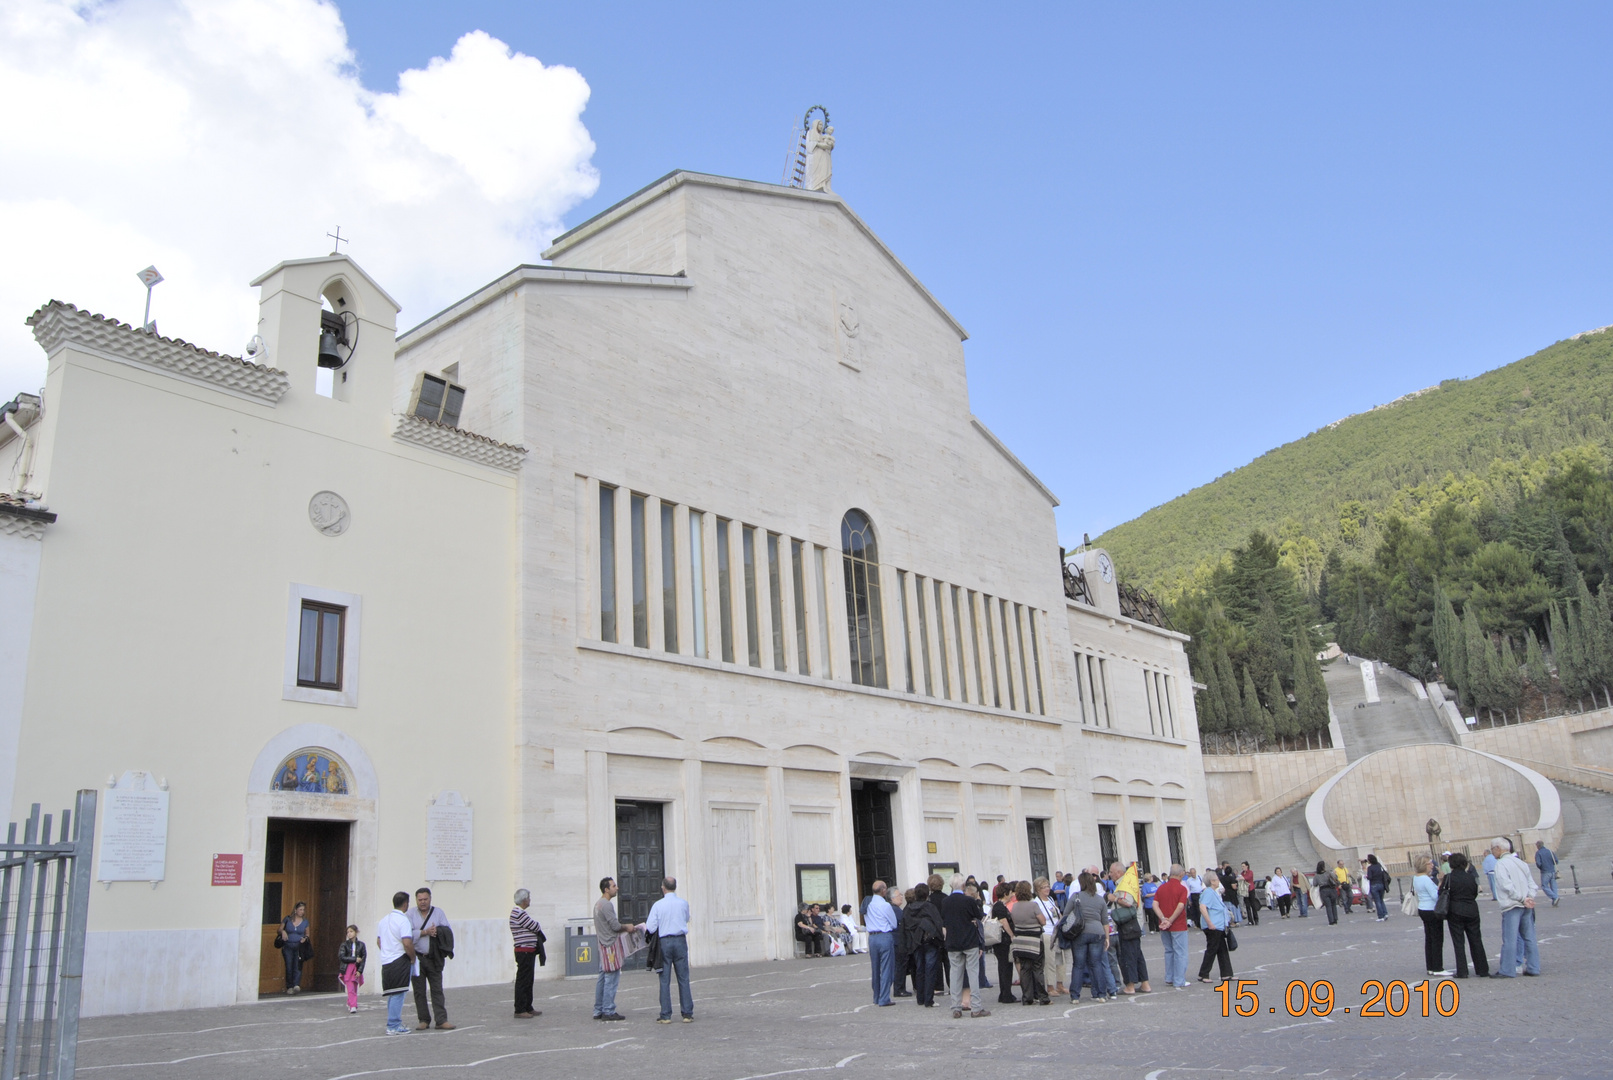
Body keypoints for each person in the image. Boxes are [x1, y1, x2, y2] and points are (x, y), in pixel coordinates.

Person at [941, 873, 991, 1018]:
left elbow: (944, 919)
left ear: (951, 886)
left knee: (955, 975)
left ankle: (956, 1007)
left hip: (953, 941)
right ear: (963, 886)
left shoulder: (946, 901)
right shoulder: (968, 900)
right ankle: (976, 1007)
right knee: (973, 973)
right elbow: (979, 915)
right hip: (969, 941)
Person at [645, 877, 694, 1022]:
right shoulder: (683, 903)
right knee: (683, 978)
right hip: (680, 940)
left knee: (664, 979)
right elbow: (686, 918)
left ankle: (666, 1014)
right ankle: (687, 1013)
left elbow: (651, 926)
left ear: (663, 888)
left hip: (664, 942)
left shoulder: (658, 905)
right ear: (675, 887)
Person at [1490, 839, 1540, 978]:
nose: (1492, 851)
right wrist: (1529, 897)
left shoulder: (1501, 864)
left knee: (1510, 939)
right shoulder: (1521, 863)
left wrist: (1521, 898)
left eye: (1493, 849)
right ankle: (1533, 967)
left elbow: (1506, 886)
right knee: (1529, 937)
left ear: (1499, 848)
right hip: (1525, 905)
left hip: (1512, 905)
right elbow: (1532, 884)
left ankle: (1507, 969)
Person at [593, 877, 640, 1021]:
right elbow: (615, 926)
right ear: (606, 889)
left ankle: (598, 1009)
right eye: (614, 886)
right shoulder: (606, 905)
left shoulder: (598, 904)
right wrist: (628, 927)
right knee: (611, 978)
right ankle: (608, 1010)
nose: (617, 888)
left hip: (602, 944)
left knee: (603, 977)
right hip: (609, 946)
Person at [409, 888, 454, 1030]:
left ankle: (441, 1020)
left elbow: (447, 931)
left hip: (434, 958)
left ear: (430, 899)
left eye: (425, 899)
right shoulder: (410, 914)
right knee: (419, 990)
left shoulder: (438, 912)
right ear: (416, 900)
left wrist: (437, 931)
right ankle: (423, 1019)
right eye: (420, 899)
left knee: (437, 989)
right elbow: (407, 934)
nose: (423, 902)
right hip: (417, 958)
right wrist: (425, 932)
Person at [1064, 872, 1113, 1001]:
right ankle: (1100, 994)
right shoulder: (1099, 899)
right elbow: (1105, 921)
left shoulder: (1076, 896)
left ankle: (1075, 996)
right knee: (1096, 964)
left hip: (1080, 932)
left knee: (1078, 965)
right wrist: (1107, 938)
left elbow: (1065, 914)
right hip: (1097, 932)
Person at [376, 892, 417, 1036]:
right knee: (399, 993)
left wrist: (387, 952)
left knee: (392, 993)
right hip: (399, 959)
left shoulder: (383, 920)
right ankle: (393, 1024)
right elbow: (407, 942)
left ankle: (392, 1022)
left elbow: (379, 941)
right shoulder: (403, 920)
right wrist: (412, 957)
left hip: (386, 960)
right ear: (405, 903)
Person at [1443, 852, 1488, 978]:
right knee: (1476, 940)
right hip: (1471, 909)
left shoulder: (1449, 878)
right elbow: (1474, 892)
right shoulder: (1470, 877)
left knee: (1458, 942)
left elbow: (1442, 893)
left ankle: (1462, 971)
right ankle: (1482, 969)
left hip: (1455, 910)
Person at [899, 883, 943, 1006]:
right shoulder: (930, 907)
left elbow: (905, 927)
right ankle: (928, 999)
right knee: (930, 969)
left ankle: (920, 997)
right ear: (927, 894)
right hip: (929, 941)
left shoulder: (908, 909)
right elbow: (938, 923)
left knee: (919, 969)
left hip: (915, 942)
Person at [1008, 880, 1049, 1005]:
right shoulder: (1033, 905)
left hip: (1020, 940)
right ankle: (1042, 996)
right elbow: (1043, 921)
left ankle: (1027, 997)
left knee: (1025, 969)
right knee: (1037, 968)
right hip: (1034, 940)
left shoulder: (1014, 906)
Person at [509, 888, 544, 1019]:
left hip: (528, 951)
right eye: (529, 898)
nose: (530, 900)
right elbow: (535, 926)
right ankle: (520, 1008)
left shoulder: (519, 913)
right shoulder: (519, 913)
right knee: (523, 980)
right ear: (524, 900)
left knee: (528, 980)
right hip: (524, 951)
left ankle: (528, 1006)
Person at [1110, 882, 1151, 994]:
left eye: (1112, 872)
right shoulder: (1130, 882)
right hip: (1134, 924)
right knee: (1138, 955)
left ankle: (1130, 985)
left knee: (1128, 956)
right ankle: (1145, 983)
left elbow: (1128, 903)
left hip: (1128, 925)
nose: (1110, 874)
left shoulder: (1125, 884)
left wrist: (1115, 899)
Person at [1412, 855, 1450, 976]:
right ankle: (1438, 967)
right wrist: (1441, 882)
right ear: (1424, 865)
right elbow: (1435, 896)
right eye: (1429, 863)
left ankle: (1430, 966)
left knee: (1429, 939)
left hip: (1423, 908)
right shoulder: (1425, 879)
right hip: (1431, 909)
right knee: (1437, 939)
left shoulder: (1416, 878)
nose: (1432, 865)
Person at [1154, 865, 1190, 989]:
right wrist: (1171, 920)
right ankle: (1179, 979)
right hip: (1178, 924)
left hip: (1163, 924)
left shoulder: (1161, 888)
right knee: (1180, 952)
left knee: (1169, 951)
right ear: (1180, 874)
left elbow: (1155, 904)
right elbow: (1180, 907)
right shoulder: (1182, 889)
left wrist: (1163, 918)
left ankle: (1169, 977)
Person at [863, 881, 899, 1006]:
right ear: (883, 890)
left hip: (872, 937)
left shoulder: (867, 903)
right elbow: (894, 924)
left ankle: (876, 996)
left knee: (875, 968)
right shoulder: (885, 905)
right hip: (884, 935)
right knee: (886, 968)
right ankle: (884, 998)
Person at [1196, 879, 1233, 984]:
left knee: (1222, 949)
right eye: (1217, 880)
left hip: (1219, 925)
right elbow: (1203, 907)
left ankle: (1226, 973)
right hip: (1213, 926)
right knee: (1212, 949)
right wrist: (1209, 923)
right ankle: (1203, 974)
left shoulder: (1213, 892)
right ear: (1212, 881)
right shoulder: (1208, 892)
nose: (1218, 881)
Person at [988, 888, 1016, 1004]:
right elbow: (1003, 921)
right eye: (1010, 892)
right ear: (1005, 893)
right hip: (1003, 941)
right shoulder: (999, 906)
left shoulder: (998, 905)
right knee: (1005, 967)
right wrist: (1012, 935)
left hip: (1002, 941)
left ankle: (1005, 993)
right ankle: (1006, 994)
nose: (1012, 894)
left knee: (1005, 967)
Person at [279, 901, 309, 995]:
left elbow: (307, 933)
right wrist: (283, 932)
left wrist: (305, 938)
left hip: (299, 946)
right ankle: (289, 986)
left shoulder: (305, 921)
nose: (302, 911)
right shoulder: (287, 919)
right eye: (300, 909)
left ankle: (296, 984)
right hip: (288, 946)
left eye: (303, 910)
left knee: (298, 965)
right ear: (295, 910)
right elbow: (280, 929)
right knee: (289, 966)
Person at [337, 924, 365, 1014]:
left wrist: (360, 971)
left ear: (356, 932)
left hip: (356, 968)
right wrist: (354, 959)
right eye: (348, 932)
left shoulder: (361, 945)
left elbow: (363, 959)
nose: (349, 934)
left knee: (355, 986)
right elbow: (341, 957)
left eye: (351, 931)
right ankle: (353, 1005)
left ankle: (350, 1002)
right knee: (350, 987)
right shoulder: (344, 945)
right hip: (347, 967)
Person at [1365, 853, 1390, 921]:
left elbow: (1370, 877)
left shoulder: (1370, 868)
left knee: (1377, 901)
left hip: (1374, 885)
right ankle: (1385, 913)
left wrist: (1366, 877)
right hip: (1381, 884)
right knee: (1381, 900)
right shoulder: (1379, 865)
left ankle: (1380, 916)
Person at [1534, 840, 1560, 906]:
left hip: (1545, 872)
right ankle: (1555, 900)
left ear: (1538, 846)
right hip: (1552, 871)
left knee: (1544, 886)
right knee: (1553, 886)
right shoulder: (1549, 851)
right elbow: (1556, 861)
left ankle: (1555, 897)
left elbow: (1538, 863)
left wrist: (1541, 867)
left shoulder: (1538, 853)